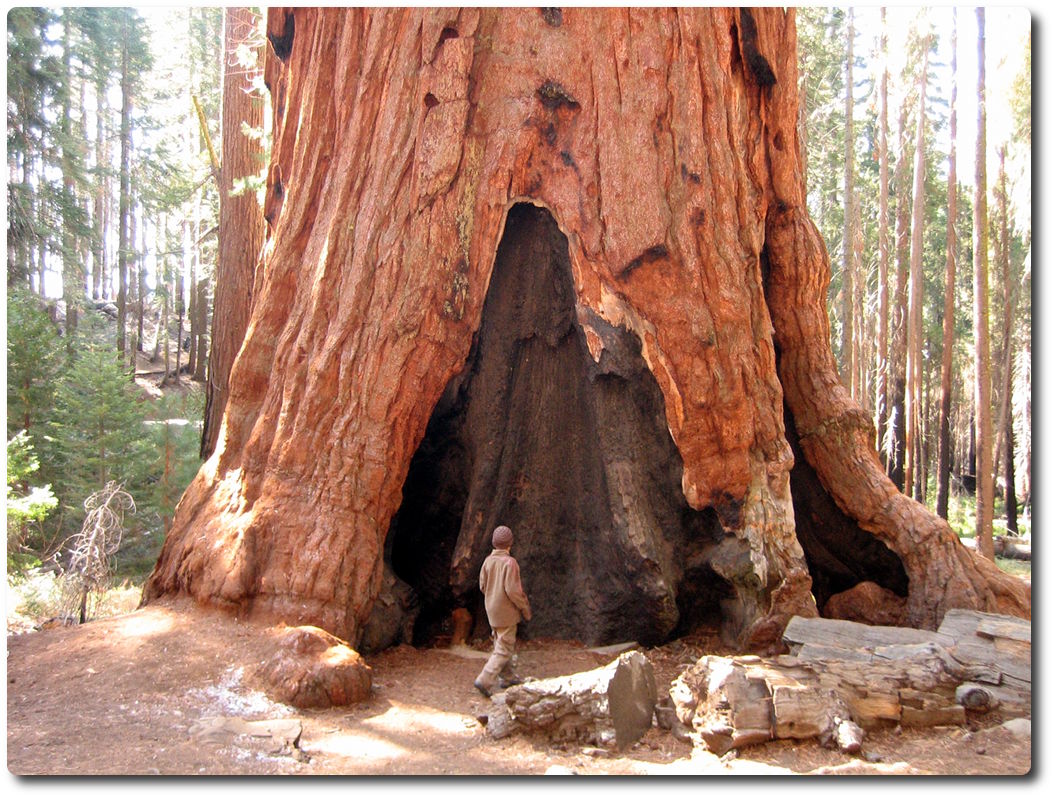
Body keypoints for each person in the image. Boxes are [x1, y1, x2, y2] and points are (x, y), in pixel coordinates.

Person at [474, 525, 531, 697]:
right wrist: (524, 607)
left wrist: (492, 597)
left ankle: (508, 677)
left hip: (492, 610)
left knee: (501, 643)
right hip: (506, 612)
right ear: (510, 544)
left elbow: (482, 585)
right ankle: (484, 679)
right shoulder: (509, 563)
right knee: (504, 648)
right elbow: (513, 591)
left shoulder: (488, 561)